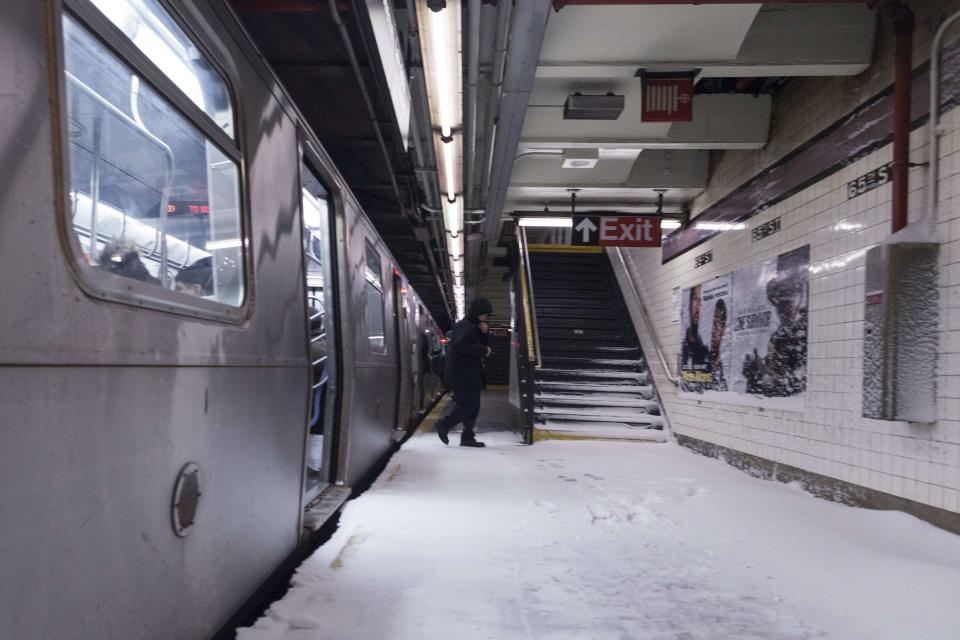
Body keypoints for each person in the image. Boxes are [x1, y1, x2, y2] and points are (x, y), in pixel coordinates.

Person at [435, 297, 493, 448]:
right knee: (467, 404)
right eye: (484, 314)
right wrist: (483, 350)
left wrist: (485, 334)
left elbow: (483, 344)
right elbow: (462, 345)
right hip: (462, 373)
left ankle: (467, 436)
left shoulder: (475, 327)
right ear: (477, 313)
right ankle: (444, 424)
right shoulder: (465, 325)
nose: (486, 318)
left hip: (470, 373)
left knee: (474, 405)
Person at [742, 275, 808, 397]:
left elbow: (791, 385)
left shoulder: (803, 333)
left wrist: (762, 375)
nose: (781, 310)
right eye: (777, 303)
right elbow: (775, 368)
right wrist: (758, 367)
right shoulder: (781, 333)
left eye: (786, 301)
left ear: (801, 295)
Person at [680, 285, 709, 390]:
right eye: (695, 299)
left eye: (701, 301)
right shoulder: (681, 346)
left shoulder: (704, 351)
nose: (698, 307)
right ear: (688, 304)